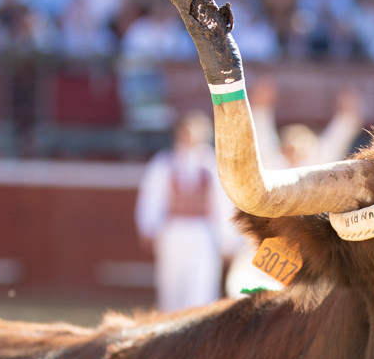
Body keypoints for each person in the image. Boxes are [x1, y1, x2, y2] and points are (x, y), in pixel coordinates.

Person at [224, 78, 362, 295]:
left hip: (306, 248)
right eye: (290, 147)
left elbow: (336, 139)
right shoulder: (273, 166)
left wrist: (347, 113)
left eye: (300, 147)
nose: (294, 152)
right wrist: (260, 106)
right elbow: (262, 137)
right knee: (243, 289)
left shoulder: (316, 169)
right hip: (267, 242)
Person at [135, 112, 236, 313]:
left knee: (201, 287)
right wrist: (148, 227)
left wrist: (227, 240)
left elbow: (223, 204)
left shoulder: (212, 164)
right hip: (173, 230)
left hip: (202, 233)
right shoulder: (163, 163)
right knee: (171, 287)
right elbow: (151, 197)